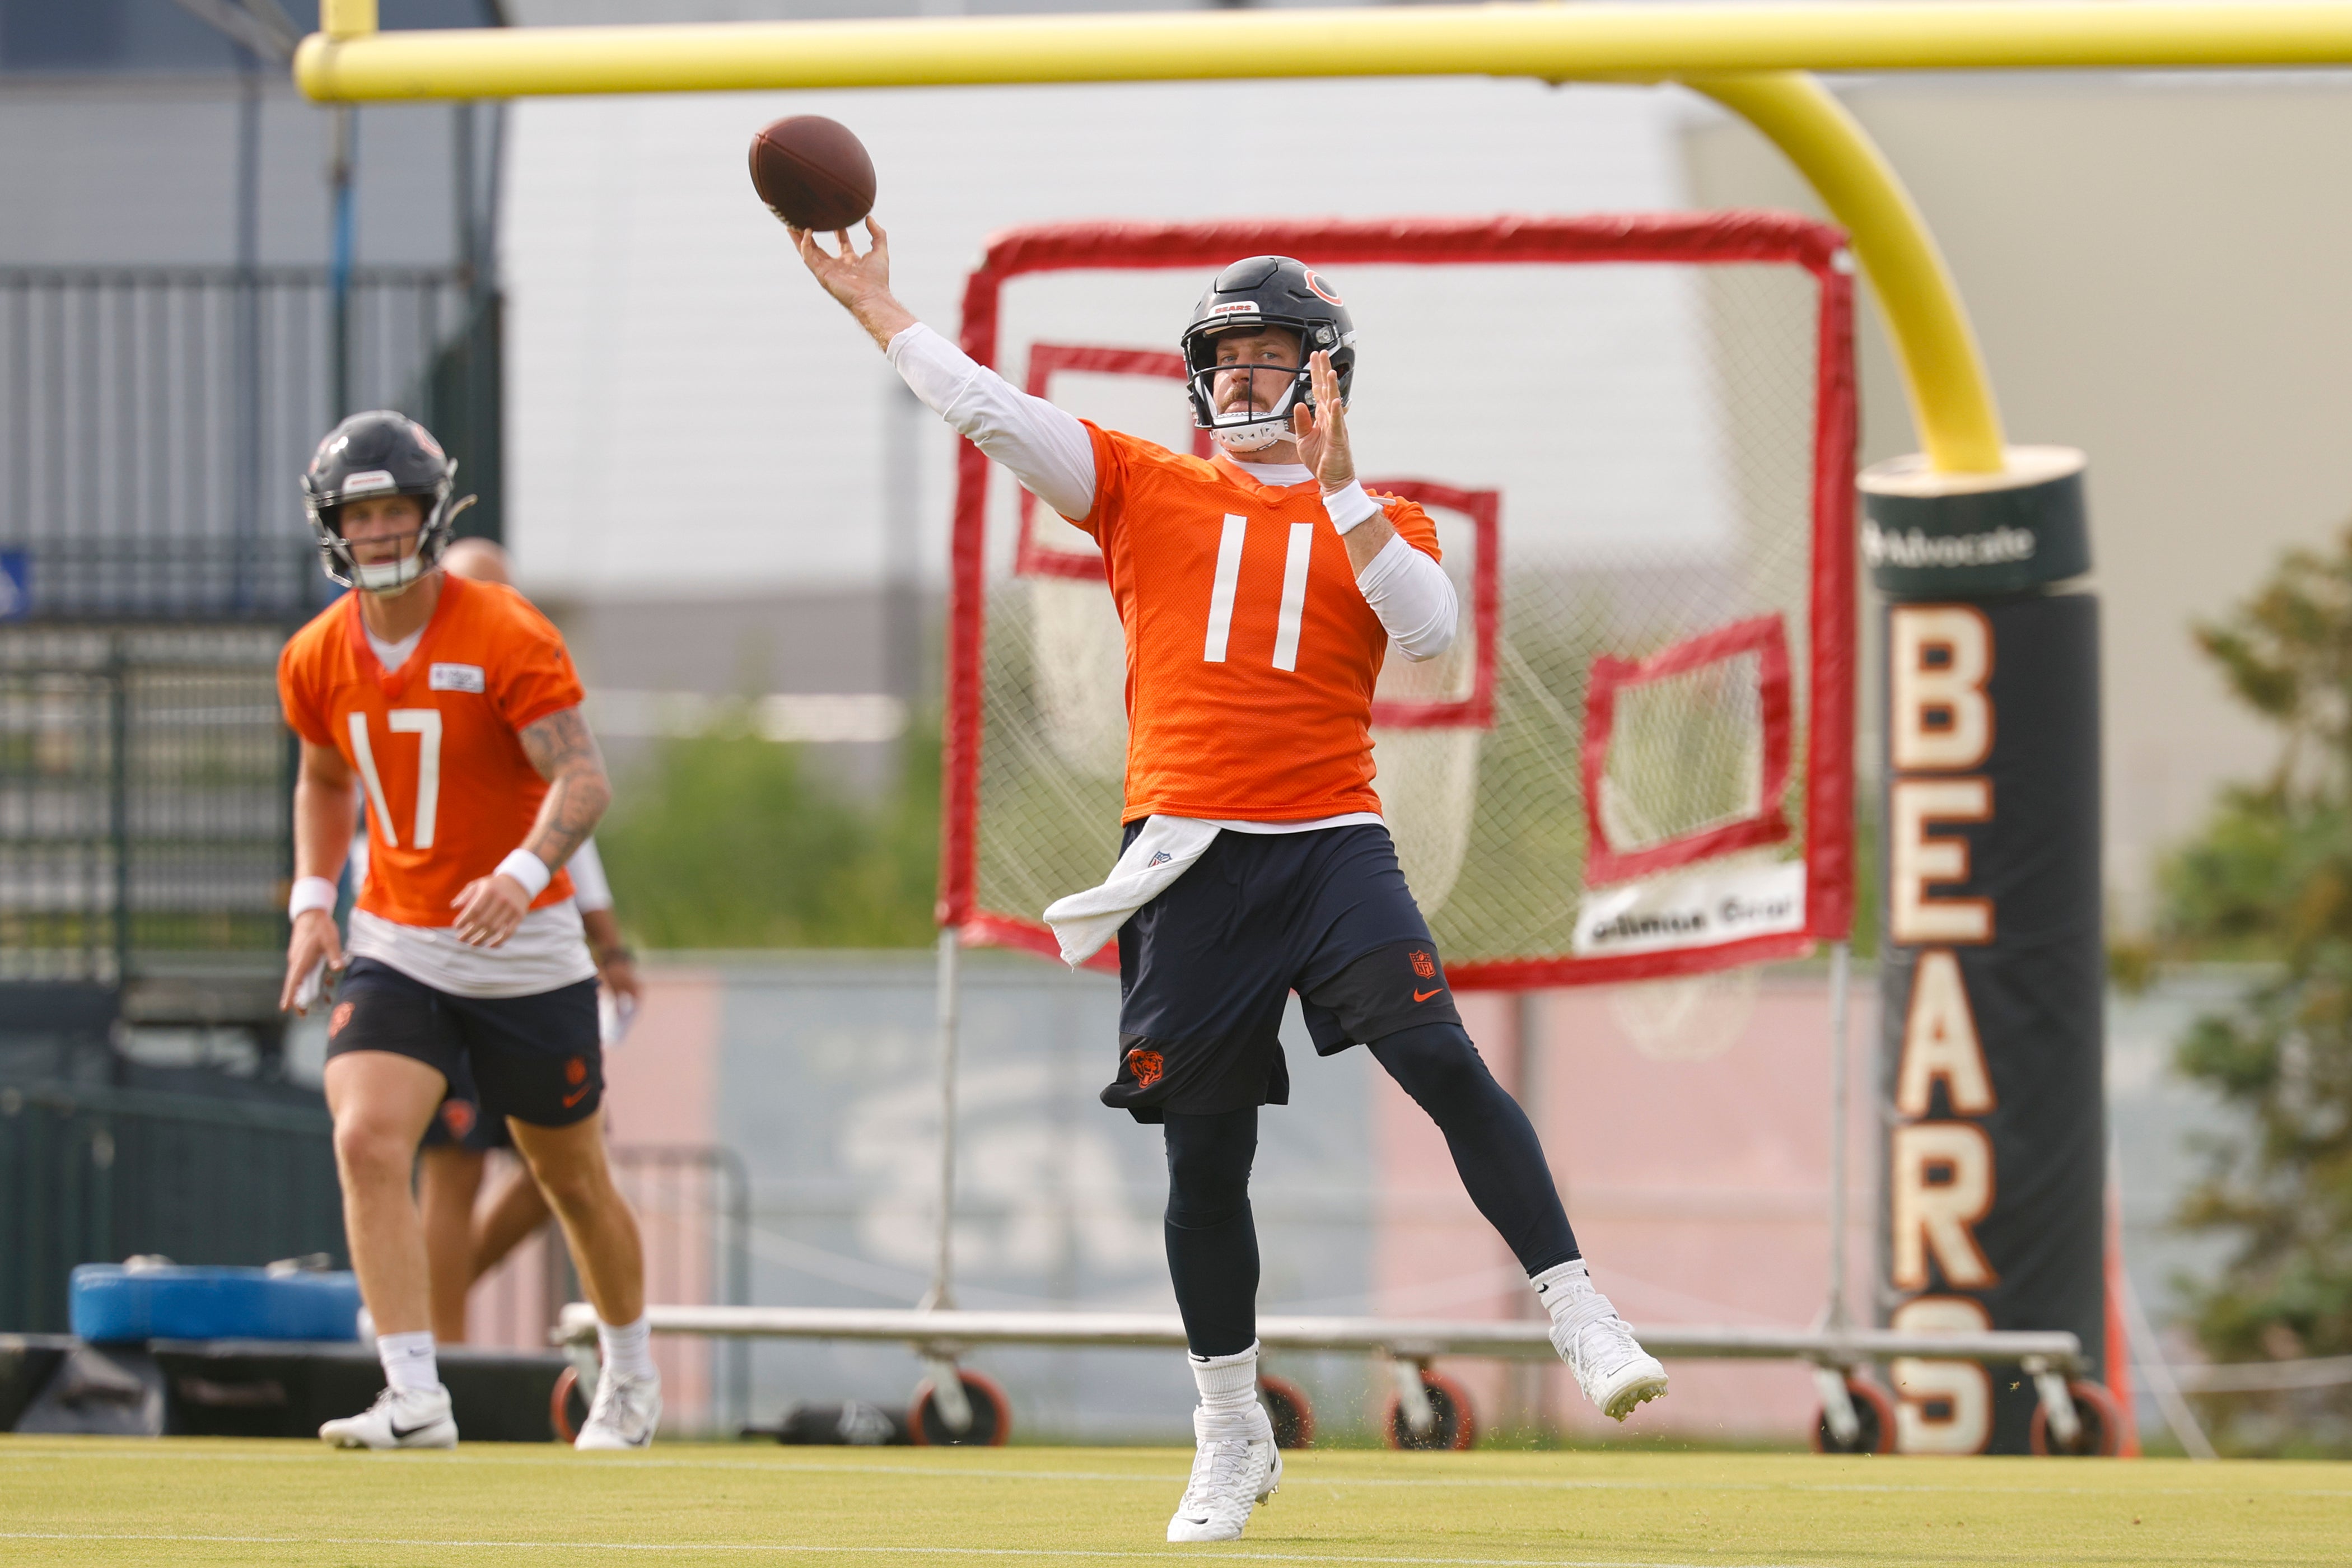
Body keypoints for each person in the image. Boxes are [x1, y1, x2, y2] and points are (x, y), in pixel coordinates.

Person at [793, 225, 1667, 1541]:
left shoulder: (1387, 514)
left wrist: (1349, 487)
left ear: (1327, 378)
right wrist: (877, 307)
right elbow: (984, 405)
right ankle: (1230, 1423)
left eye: (1277, 360)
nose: (1251, 380)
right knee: (1207, 1162)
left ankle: (1579, 1311)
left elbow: (1431, 639)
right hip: (1189, 854)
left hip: (1330, 840)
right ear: (1200, 375)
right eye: (1232, 359)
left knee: (1439, 1057)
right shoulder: (1143, 484)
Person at [276, 412, 661, 1450]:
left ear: (431, 515)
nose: (380, 530)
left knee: (570, 1178)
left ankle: (628, 1376)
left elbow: (583, 780)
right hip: (398, 936)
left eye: (395, 508)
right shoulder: (315, 654)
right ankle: (413, 1393)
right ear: (333, 527)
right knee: (364, 1135)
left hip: (526, 946)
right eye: (360, 514)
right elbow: (322, 779)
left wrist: (525, 868)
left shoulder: (503, 630)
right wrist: (314, 900)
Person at [410, 537, 643, 1347]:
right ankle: (436, 1360)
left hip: (531, 956)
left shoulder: (518, 682)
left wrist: (609, 947)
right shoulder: (416, 690)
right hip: (436, 954)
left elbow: (575, 819)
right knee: (450, 1160)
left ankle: (417, 1315)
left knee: (573, 1161)